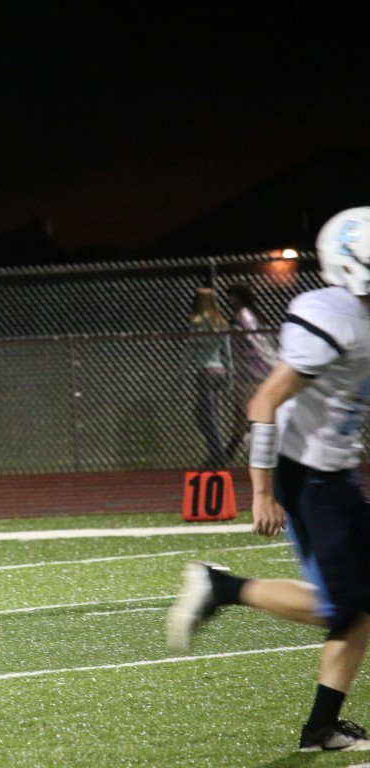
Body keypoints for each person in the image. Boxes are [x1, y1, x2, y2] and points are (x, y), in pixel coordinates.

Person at [167, 207, 370, 752]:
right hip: (308, 475)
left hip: (336, 471)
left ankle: (322, 728)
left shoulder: (360, 316)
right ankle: (223, 588)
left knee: (361, 603)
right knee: (341, 607)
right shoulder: (332, 316)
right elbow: (264, 402)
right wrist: (260, 491)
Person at [223, 283, 278, 461]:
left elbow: (258, 342)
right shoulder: (245, 315)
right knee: (242, 415)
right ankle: (227, 455)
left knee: (247, 414)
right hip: (248, 372)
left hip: (252, 373)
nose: (229, 300)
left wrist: (272, 363)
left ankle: (230, 455)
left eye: (231, 296)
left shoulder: (244, 316)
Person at [188, 286, 232, 468]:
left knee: (208, 415)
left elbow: (190, 349)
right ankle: (216, 452)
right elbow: (227, 353)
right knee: (205, 413)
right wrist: (230, 376)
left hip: (205, 372)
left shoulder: (197, 322)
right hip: (219, 370)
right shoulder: (221, 323)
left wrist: (181, 372)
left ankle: (218, 454)